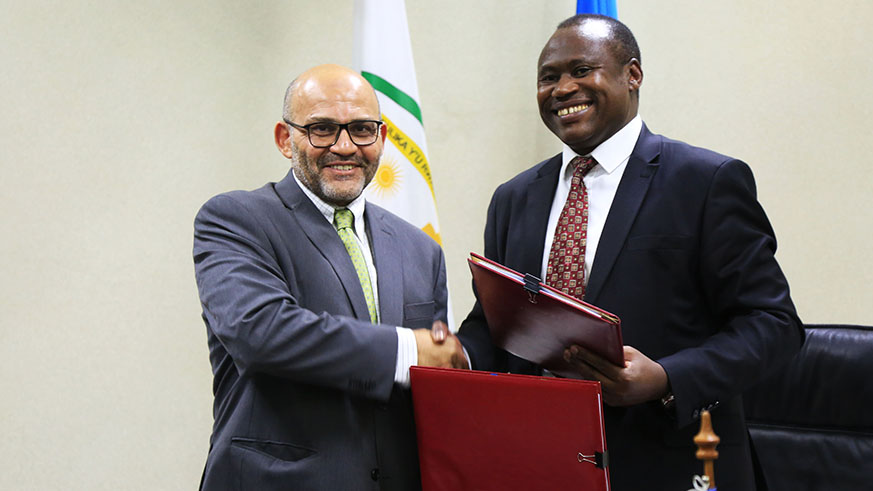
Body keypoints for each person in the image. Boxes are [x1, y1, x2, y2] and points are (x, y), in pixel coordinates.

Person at [456, 14, 803, 490]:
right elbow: (496, 326)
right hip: (539, 460)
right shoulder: (513, 198)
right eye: (549, 77)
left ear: (632, 75)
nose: (562, 88)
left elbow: (774, 325)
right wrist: (452, 353)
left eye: (581, 70)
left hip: (671, 462)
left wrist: (665, 379)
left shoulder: (704, 182)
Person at [193, 64, 467, 491]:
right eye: (322, 129)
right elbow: (260, 332)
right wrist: (404, 350)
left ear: (382, 138)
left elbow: (433, 380)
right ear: (287, 139)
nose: (344, 146)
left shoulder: (421, 250)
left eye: (361, 129)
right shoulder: (236, 219)